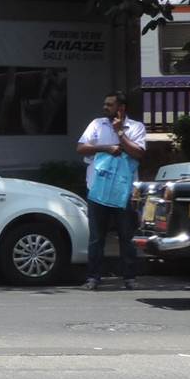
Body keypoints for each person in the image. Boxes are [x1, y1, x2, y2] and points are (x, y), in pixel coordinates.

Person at [75, 91, 146, 290]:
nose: (105, 107)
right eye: (105, 104)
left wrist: (121, 134)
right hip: (98, 190)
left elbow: (138, 153)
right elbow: (81, 148)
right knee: (96, 237)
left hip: (125, 192)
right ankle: (93, 277)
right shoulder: (97, 124)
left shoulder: (136, 127)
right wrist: (106, 148)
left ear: (121, 108)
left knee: (126, 236)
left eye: (109, 104)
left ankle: (130, 278)